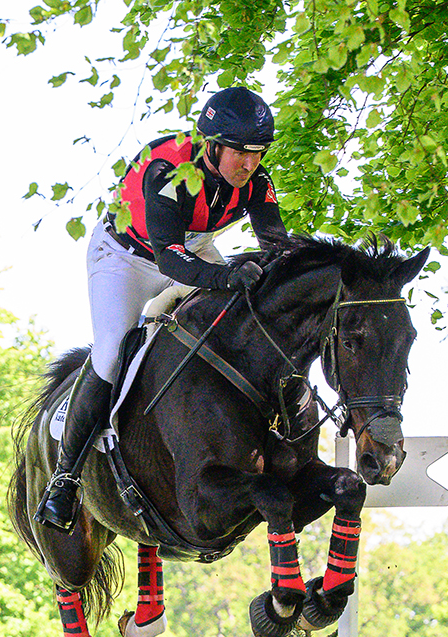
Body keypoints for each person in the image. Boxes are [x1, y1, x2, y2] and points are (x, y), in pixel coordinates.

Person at [36, 86, 292, 531]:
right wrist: (230, 274)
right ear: (212, 145)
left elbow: (277, 248)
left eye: (259, 154)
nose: (250, 165)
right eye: (241, 154)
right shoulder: (165, 168)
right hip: (126, 257)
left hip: (192, 251)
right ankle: (65, 478)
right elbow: (170, 259)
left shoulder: (258, 182)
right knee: (112, 351)